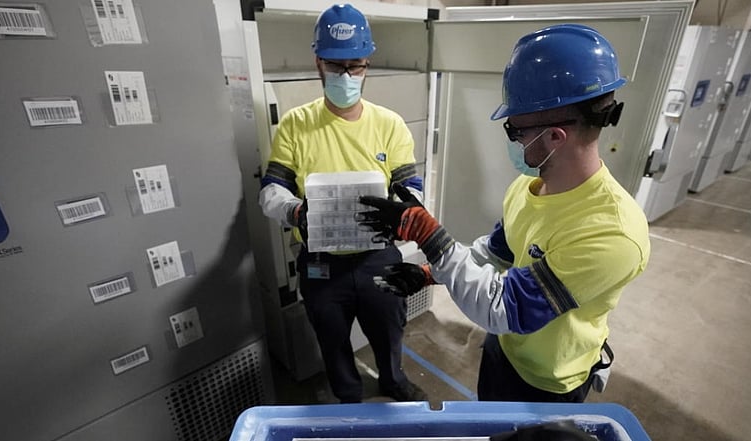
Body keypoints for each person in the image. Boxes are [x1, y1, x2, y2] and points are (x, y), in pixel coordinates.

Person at [358, 24, 651, 403]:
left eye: (515, 129)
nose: (512, 141)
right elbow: (495, 254)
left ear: (554, 137)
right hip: (504, 350)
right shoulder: (528, 187)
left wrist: (430, 237)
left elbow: (503, 307)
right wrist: (428, 273)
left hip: (547, 382)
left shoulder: (613, 233)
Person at [258, 3, 426, 404]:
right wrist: (296, 211)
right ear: (318, 63)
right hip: (321, 261)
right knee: (332, 342)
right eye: (336, 67)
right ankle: (348, 398)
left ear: (367, 64)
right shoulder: (296, 124)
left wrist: (402, 210)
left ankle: (393, 380)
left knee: (389, 330)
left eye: (356, 66)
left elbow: (412, 185)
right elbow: (271, 190)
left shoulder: (389, 124)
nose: (347, 76)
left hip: (378, 256)